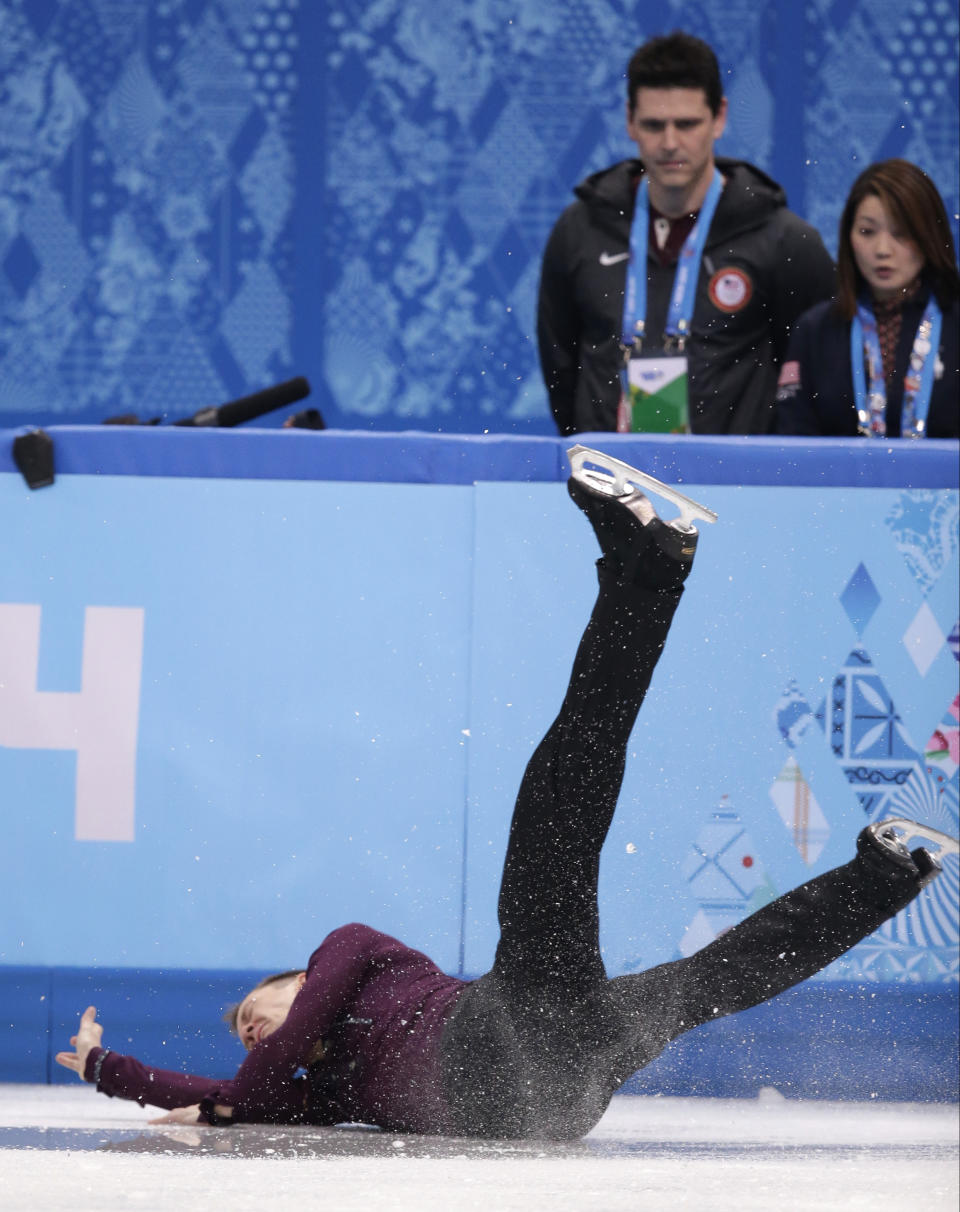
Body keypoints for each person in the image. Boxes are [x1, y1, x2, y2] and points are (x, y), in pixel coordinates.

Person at [56, 446, 953, 1139]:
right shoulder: (313, 1088)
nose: (254, 1034)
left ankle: (887, 872)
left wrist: (231, 1101)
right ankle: (648, 568)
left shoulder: (352, 952)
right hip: (552, 1087)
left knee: (579, 817)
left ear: (297, 977)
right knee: (694, 962)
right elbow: (230, 1091)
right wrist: (108, 1069)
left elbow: (251, 1081)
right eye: (247, 1033)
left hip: (514, 1033)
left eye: (254, 1013)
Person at [536, 31, 835, 437]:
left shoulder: (783, 240)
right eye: (654, 125)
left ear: (720, 118)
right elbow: (561, 368)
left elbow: (814, 378)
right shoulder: (581, 230)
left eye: (687, 124)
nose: (670, 143)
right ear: (629, 122)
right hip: (610, 483)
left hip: (735, 492)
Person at [776, 159, 960, 438]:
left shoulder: (954, 321)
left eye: (902, 233)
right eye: (867, 232)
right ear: (848, 237)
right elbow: (793, 444)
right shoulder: (815, 330)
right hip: (837, 482)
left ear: (929, 236)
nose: (882, 249)